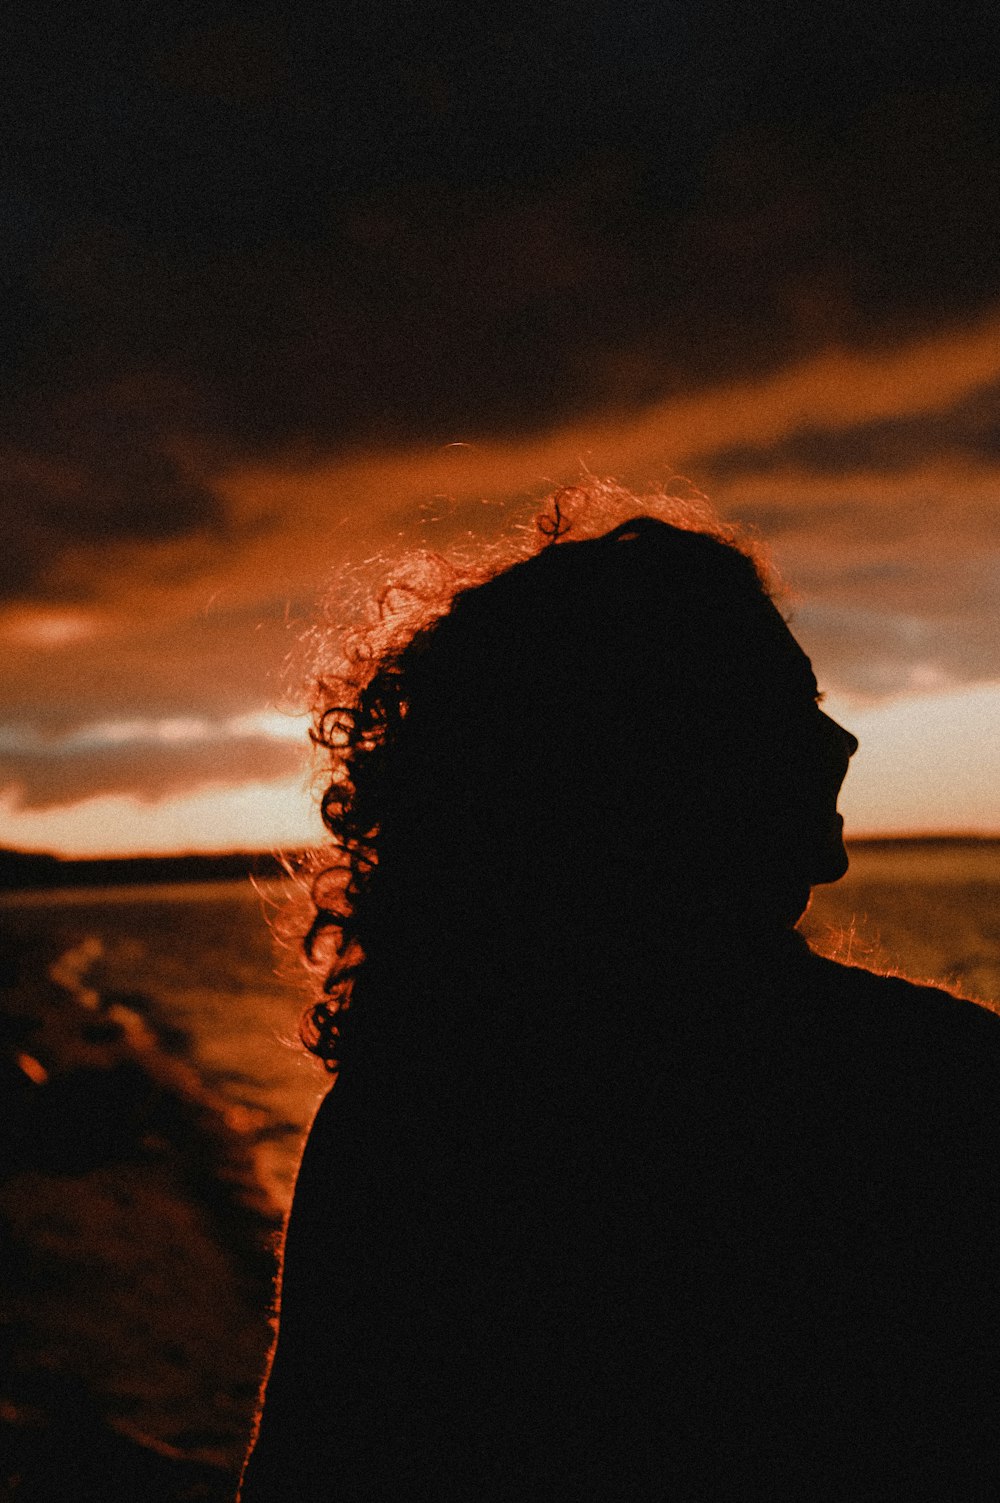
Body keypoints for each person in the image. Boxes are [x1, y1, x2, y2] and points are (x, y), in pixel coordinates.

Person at [239, 490, 1000, 1500]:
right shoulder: (930, 1088)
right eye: (787, 705)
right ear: (659, 758)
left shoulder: (418, 1109)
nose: (840, 744)